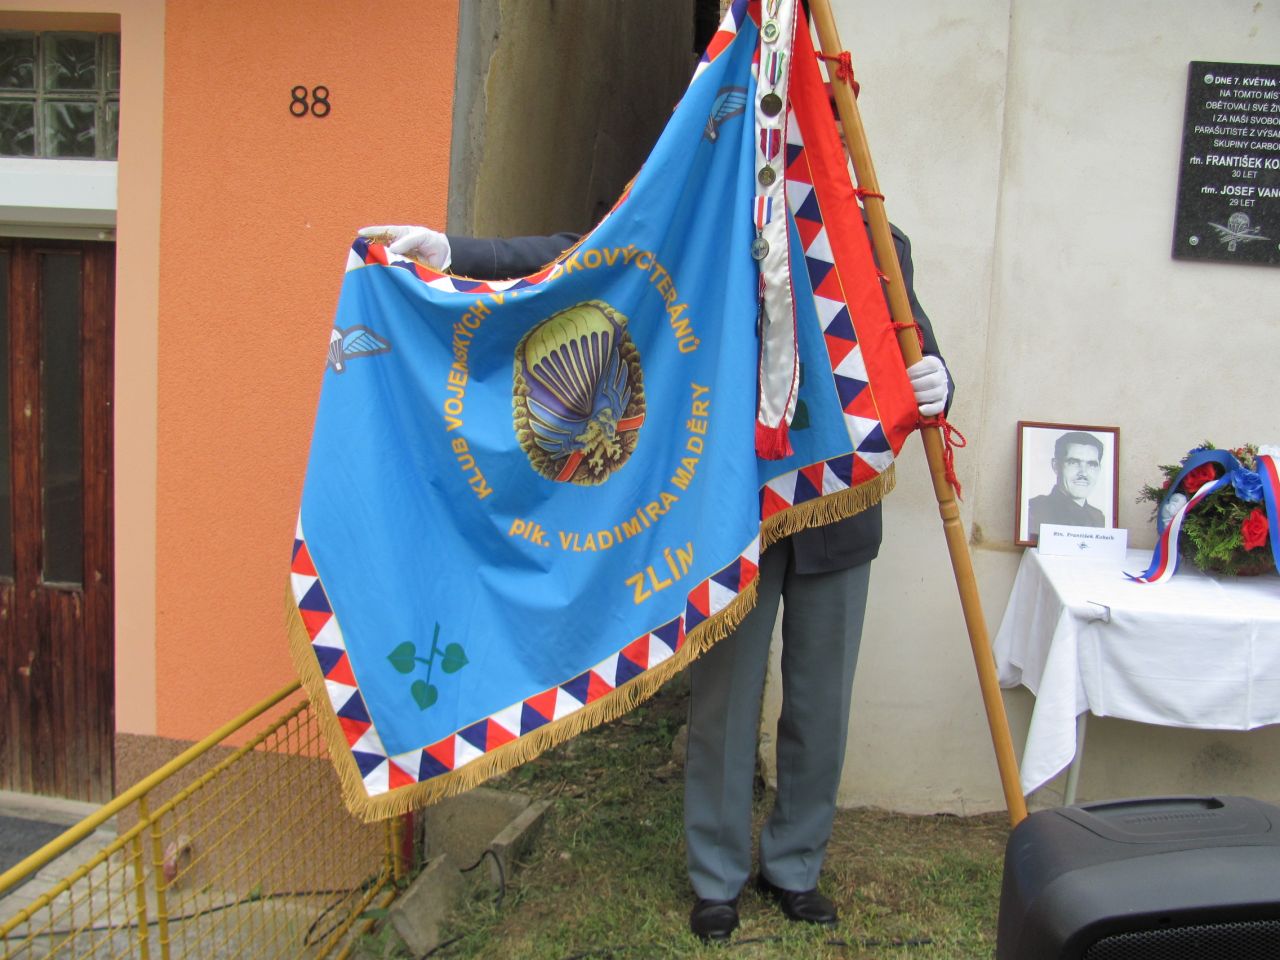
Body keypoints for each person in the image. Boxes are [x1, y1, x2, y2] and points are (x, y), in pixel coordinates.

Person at [358, 221, 948, 941]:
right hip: (737, 507)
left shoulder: (873, 236)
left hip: (839, 508)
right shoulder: (722, 206)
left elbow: (911, 342)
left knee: (821, 704)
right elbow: (595, 251)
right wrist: (460, 255)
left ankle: (795, 867)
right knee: (725, 702)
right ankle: (716, 877)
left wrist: (938, 380)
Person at [1026, 431, 1105, 541]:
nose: (1083, 473)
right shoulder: (1032, 511)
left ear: (1099, 469)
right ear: (1056, 466)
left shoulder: (1098, 517)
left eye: (1091, 464)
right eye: (1073, 462)